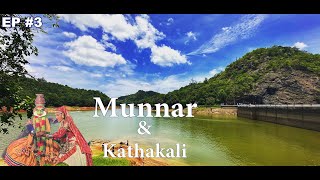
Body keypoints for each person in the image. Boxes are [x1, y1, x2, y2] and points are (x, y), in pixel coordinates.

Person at [4, 94, 60, 166]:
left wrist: (63, 117)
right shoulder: (33, 120)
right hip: (33, 141)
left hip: (44, 141)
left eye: (41, 110)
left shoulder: (47, 120)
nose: (39, 112)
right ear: (35, 110)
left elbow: (56, 121)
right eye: (38, 110)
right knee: (29, 156)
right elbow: (33, 132)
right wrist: (31, 127)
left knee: (43, 157)